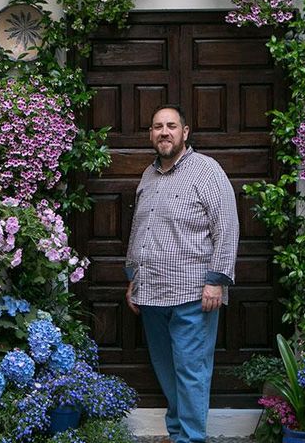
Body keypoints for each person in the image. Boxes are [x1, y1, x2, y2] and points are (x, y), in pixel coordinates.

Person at [124, 104, 239, 443]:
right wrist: (133, 278)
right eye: (158, 126)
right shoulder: (148, 176)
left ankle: (190, 438)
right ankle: (178, 434)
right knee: (167, 371)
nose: (164, 132)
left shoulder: (207, 171)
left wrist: (216, 281)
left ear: (185, 132)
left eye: (171, 126)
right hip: (151, 293)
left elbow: (227, 228)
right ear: (150, 134)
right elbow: (140, 229)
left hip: (193, 294)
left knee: (191, 372)